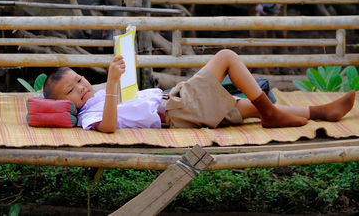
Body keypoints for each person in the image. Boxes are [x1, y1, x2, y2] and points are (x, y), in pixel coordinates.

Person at [43, 49, 356, 133]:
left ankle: (321, 112)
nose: (81, 88)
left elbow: (112, 84)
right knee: (226, 58)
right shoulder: (89, 115)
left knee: (242, 108)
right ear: (64, 105)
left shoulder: (94, 93)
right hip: (177, 110)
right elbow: (109, 127)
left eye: (80, 80)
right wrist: (110, 85)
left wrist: (116, 68)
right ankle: (271, 113)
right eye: (71, 91)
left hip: (177, 100)